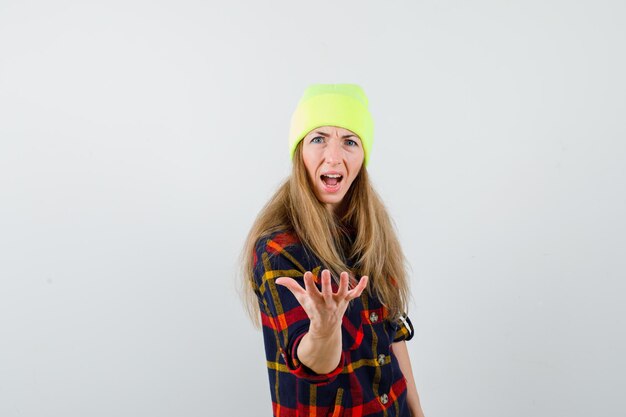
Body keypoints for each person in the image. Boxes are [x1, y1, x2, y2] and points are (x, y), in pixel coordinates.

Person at [241, 83, 426, 417]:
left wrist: (418, 412)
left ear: (363, 155)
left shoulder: (371, 232)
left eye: (350, 141)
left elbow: (392, 333)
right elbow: (311, 363)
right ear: (300, 151)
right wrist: (324, 330)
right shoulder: (278, 249)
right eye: (319, 138)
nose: (334, 156)